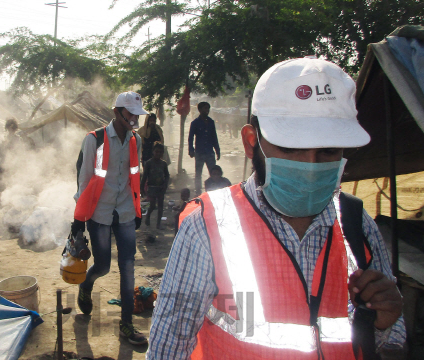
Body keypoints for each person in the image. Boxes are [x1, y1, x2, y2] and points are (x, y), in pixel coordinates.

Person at [147, 58, 405, 359]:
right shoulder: (207, 226)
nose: (310, 166)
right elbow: (169, 345)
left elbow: (389, 342)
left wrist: (384, 322)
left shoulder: (357, 226)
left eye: (329, 150)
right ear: (251, 142)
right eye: (290, 148)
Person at [72, 91, 148, 346]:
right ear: (117, 112)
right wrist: (79, 220)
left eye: (137, 114)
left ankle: (126, 324)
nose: (135, 119)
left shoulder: (136, 140)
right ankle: (86, 283)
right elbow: (84, 180)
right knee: (102, 266)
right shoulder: (95, 139)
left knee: (127, 267)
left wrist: (136, 211)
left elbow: (134, 177)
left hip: (125, 210)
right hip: (100, 212)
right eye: (130, 114)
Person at [188, 102, 221, 196]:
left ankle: (213, 189)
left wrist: (217, 150)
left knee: (213, 172)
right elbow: (190, 137)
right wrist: (191, 149)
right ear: (200, 110)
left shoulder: (211, 122)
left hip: (210, 152)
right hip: (199, 152)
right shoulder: (195, 123)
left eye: (208, 108)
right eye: (205, 108)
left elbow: (214, 137)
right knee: (198, 173)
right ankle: (198, 192)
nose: (207, 110)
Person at [140, 142, 170, 229]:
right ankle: (148, 216)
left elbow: (167, 175)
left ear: (162, 153)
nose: (158, 154)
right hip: (151, 187)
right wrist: (141, 188)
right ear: (153, 152)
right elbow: (144, 176)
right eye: (157, 152)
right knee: (152, 205)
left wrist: (165, 184)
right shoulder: (149, 163)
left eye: (160, 152)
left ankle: (158, 224)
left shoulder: (163, 164)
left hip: (160, 188)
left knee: (160, 207)